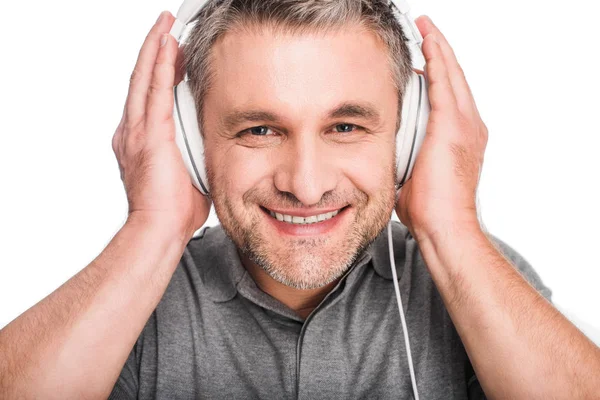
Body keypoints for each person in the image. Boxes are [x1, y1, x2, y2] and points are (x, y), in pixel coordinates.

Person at [1, 0, 599, 398]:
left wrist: (453, 227)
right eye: (260, 130)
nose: (305, 185)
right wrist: (152, 226)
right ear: (189, 139)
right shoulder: (135, 303)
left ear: (410, 133)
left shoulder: (476, 277)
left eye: (346, 127)